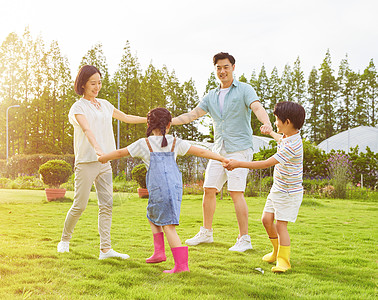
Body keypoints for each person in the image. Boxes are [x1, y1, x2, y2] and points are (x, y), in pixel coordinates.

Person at [98, 107, 229, 273]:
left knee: (168, 226)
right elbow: (202, 151)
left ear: (149, 124)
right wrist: (221, 158)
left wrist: (103, 157)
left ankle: (181, 266)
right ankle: (159, 252)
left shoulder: (144, 144)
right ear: (168, 125)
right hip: (172, 189)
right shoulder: (176, 142)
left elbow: (119, 153)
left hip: (160, 190)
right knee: (152, 215)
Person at [171, 52, 273, 251]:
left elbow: (257, 107)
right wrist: (169, 121)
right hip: (218, 150)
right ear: (215, 70)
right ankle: (206, 233)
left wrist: (267, 123)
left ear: (233, 67)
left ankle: (244, 239)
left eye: (226, 67)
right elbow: (193, 115)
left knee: (236, 192)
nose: (222, 71)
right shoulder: (212, 95)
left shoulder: (244, 89)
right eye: (218, 68)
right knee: (209, 190)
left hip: (239, 149)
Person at [57, 65, 147, 259]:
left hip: (105, 162)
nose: (97, 87)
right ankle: (64, 240)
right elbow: (87, 130)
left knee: (107, 204)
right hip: (87, 162)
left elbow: (126, 117)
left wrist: (150, 119)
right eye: (93, 83)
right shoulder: (78, 107)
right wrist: (98, 150)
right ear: (82, 84)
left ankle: (105, 249)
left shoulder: (105, 104)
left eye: (99, 82)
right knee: (79, 205)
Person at [225, 101, 305, 273]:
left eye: (276, 120)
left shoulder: (293, 145)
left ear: (287, 122)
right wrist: (271, 132)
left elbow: (266, 163)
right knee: (266, 220)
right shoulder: (287, 137)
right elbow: (279, 139)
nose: (275, 122)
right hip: (278, 189)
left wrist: (239, 163)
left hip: (289, 193)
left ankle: (284, 260)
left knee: (281, 225)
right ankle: (276, 251)